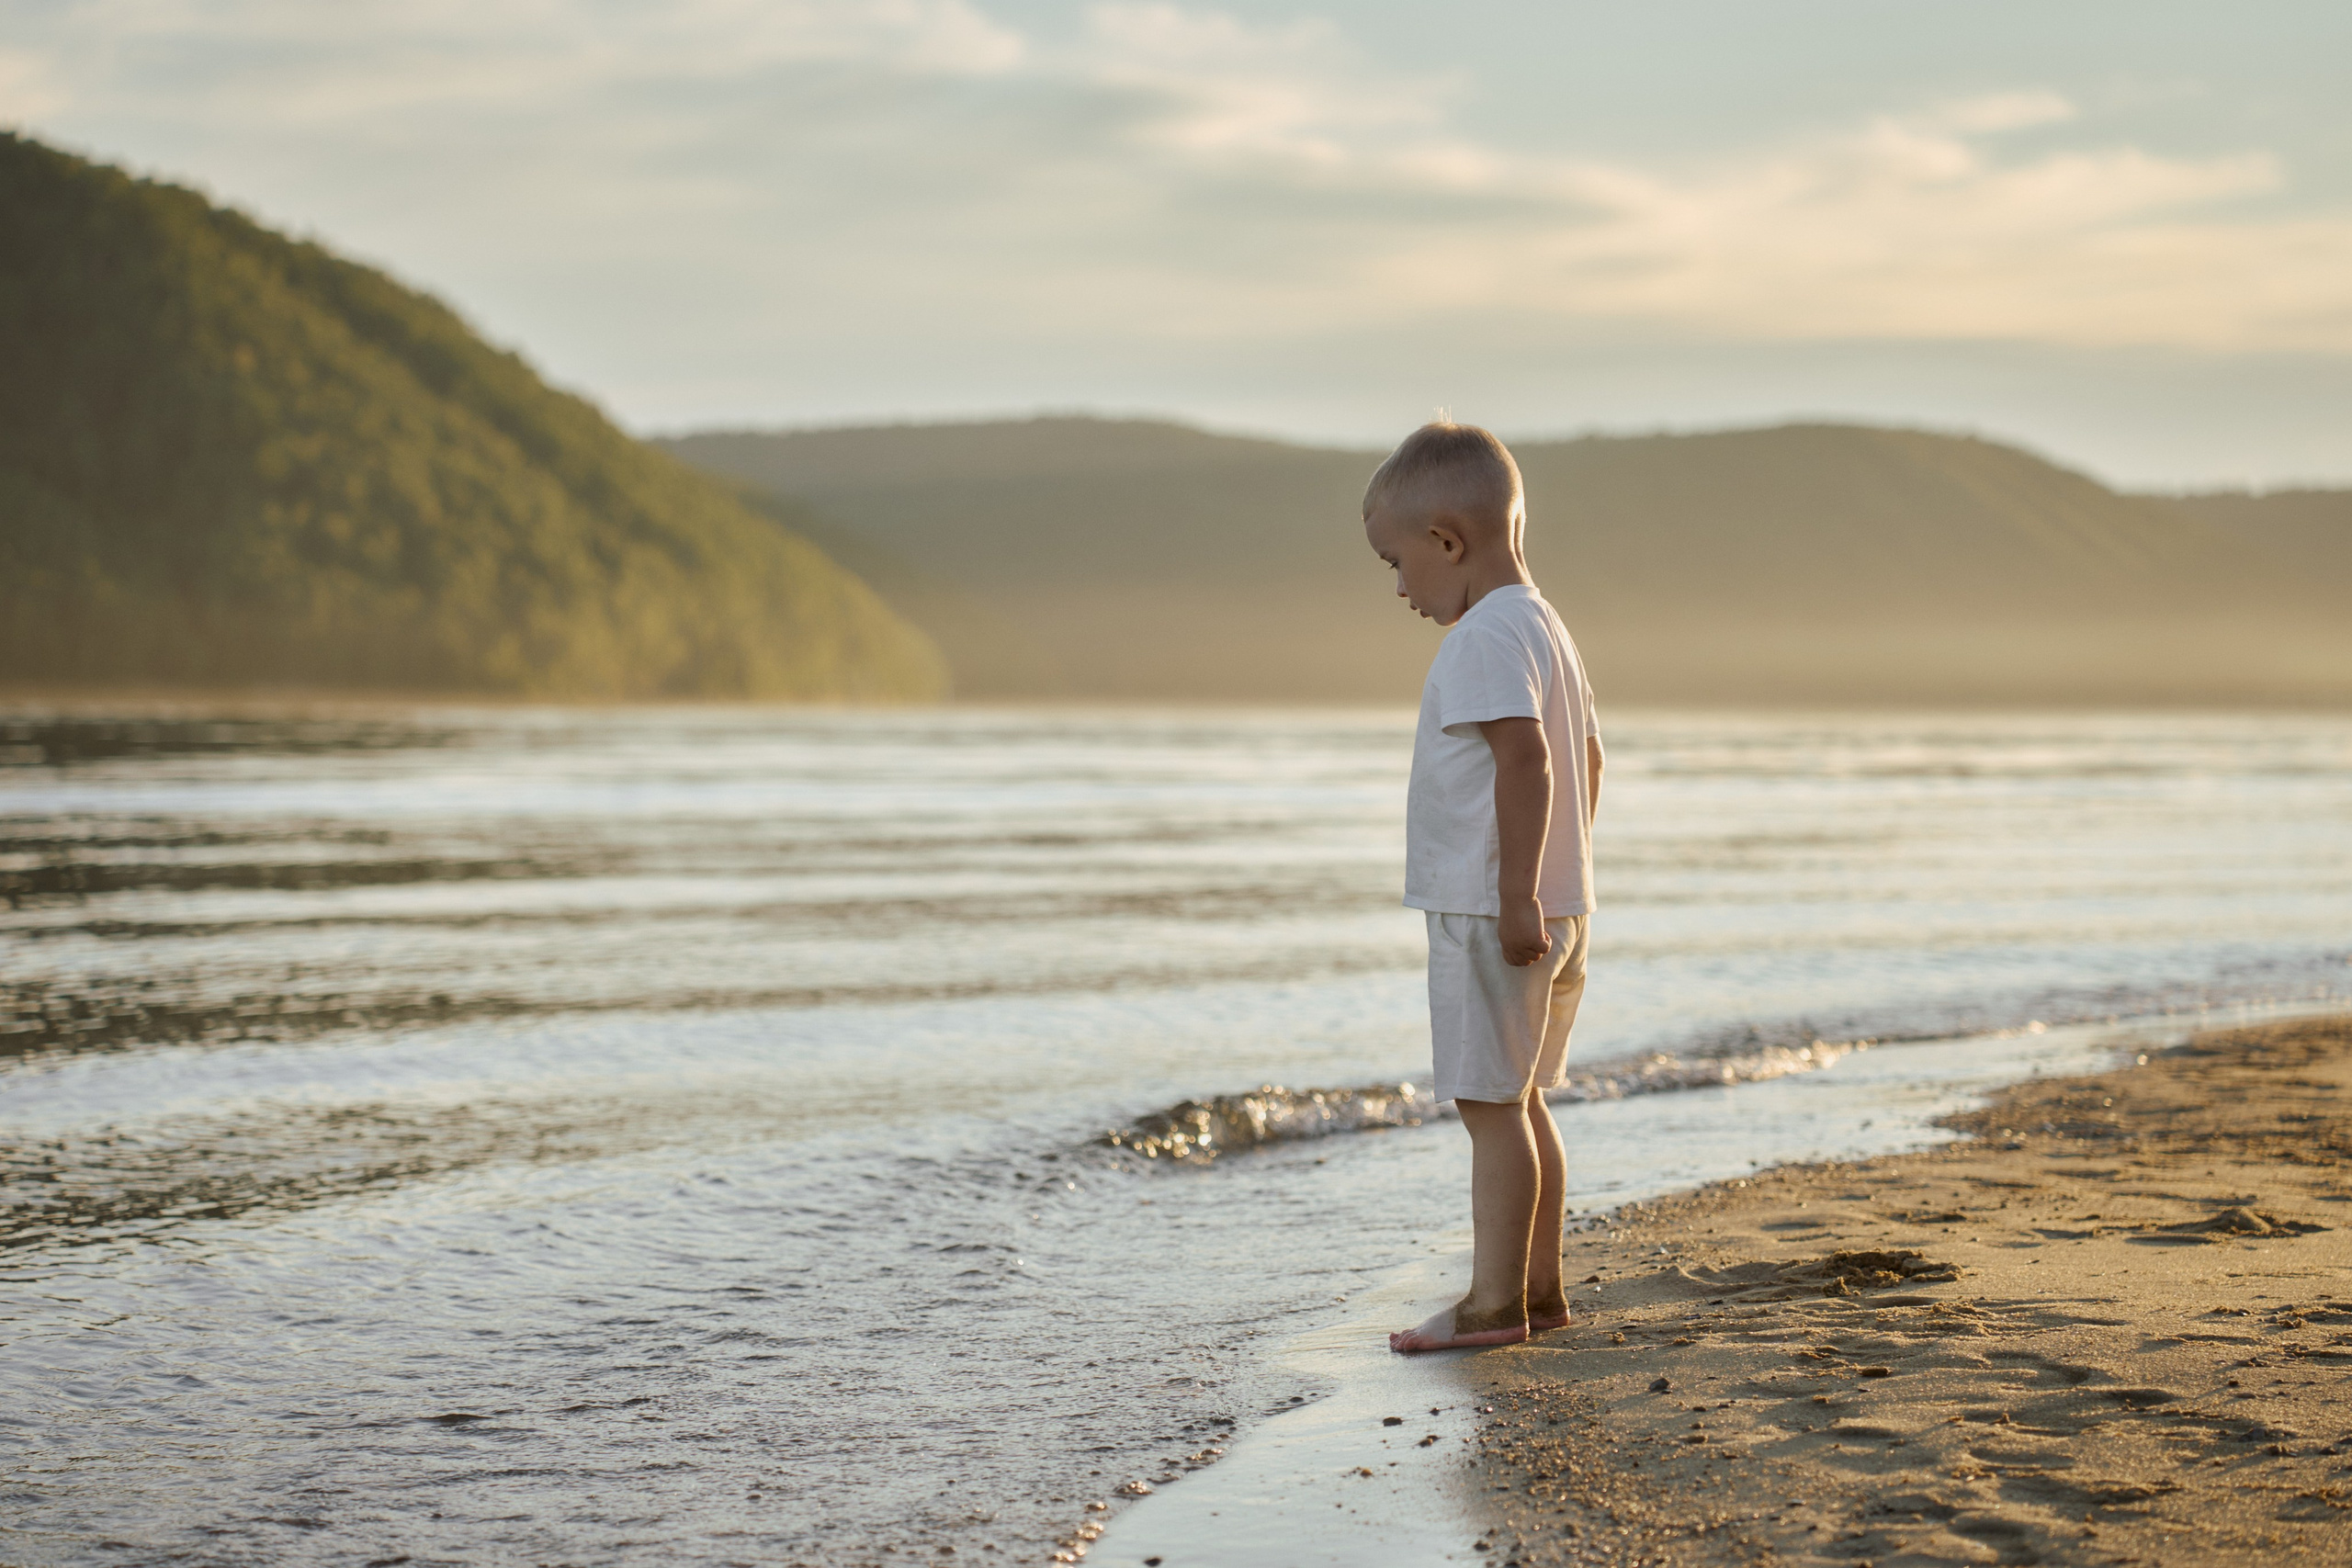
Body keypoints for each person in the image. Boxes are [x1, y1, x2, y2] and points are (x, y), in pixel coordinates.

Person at [1364, 421, 1603, 1354]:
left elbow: (1527, 760)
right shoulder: (1547, 626)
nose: (1398, 589)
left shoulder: (1481, 637)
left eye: (1397, 562)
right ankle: (1538, 1293)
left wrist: (1513, 895)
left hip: (1489, 910)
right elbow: (1587, 758)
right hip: (1563, 906)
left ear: (1449, 540)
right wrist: (1560, 877)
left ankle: (1492, 1305)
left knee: (1489, 1106)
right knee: (1525, 1098)